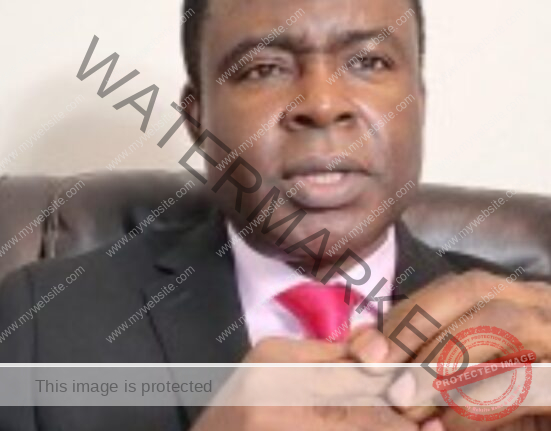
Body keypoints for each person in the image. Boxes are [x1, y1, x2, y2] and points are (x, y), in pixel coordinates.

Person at [1, 0, 550, 430]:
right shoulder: (40, 325)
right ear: (197, 121)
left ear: (419, 101)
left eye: (368, 62)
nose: (322, 104)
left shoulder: (534, 334)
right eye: (263, 68)